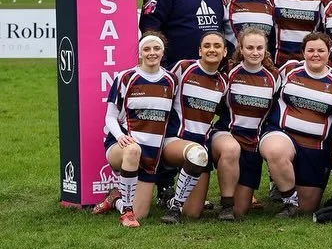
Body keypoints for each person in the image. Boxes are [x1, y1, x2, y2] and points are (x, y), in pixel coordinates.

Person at [93, 33, 178, 227]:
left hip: (151, 154)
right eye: (146, 49)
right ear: (140, 53)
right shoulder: (126, 77)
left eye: (156, 48)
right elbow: (110, 116)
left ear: (163, 52)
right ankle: (127, 214)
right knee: (133, 149)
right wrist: (120, 136)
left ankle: (116, 198)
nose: (151, 53)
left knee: (142, 214)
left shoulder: (171, 80)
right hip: (123, 146)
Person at [260, 33, 332, 217]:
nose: (316, 54)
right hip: (283, 134)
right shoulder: (289, 69)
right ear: (303, 52)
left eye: (321, 50)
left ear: (329, 53)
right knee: (276, 151)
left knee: (307, 208)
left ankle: (286, 183)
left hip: (315, 147)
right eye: (311, 50)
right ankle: (289, 200)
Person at [160, 31, 230, 223]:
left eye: (217, 46)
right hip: (174, 141)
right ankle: (174, 208)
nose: (212, 50)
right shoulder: (183, 68)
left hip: (202, 148)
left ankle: (169, 200)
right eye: (207, 46)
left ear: (225, 52)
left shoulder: (223, 82)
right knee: (196, 153)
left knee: (192, 213)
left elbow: (225, 113)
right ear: (199, 50)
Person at [211, 27, 280, 219]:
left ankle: (234, 204)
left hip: (253, 144)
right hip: (226, 135)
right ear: (241, 49)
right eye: (249, 48)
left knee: (240, 211)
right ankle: (225, 205)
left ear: (265, 50)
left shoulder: (274, 76)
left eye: (259, 48)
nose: (255, 52)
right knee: (231, 149)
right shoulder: (229, 71)